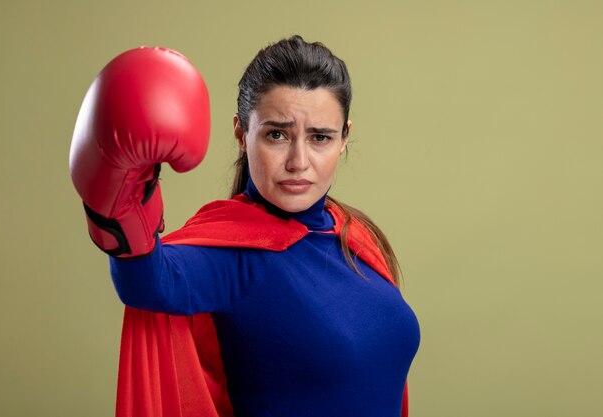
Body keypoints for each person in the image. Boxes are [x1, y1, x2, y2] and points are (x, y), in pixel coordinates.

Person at [70, 36, 420, 417]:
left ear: (344, 139)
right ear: (241, 133)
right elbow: (146, 281)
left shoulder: (354, 234)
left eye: (320, 137)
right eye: (277, 135)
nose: (298, 161)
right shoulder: (232, 257)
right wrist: (120, 194)